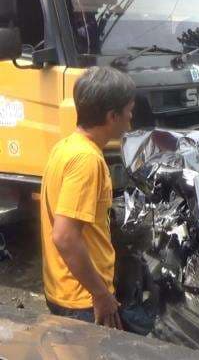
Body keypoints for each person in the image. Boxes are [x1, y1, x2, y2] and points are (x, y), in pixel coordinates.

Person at [40, 66, 135, 328]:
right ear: (111, 116)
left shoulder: (66, 146)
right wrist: (101, 294)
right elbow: (65, 236)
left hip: (65, 289)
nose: (131, 118)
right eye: (128, 110)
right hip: (83, 301)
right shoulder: (87, 160)